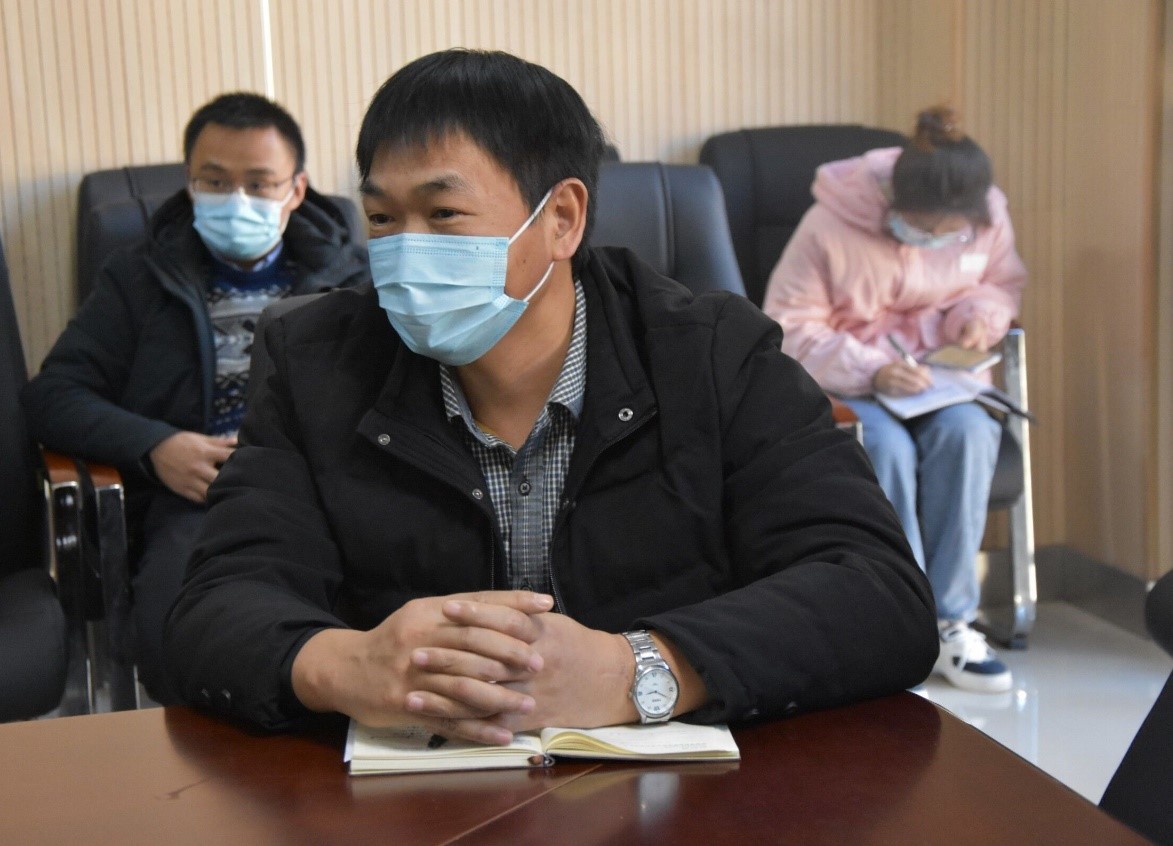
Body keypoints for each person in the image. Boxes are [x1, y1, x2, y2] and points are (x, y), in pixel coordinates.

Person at [163, 49, 938, 742]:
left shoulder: (712, 353)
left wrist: (639, 669)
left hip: (678, 805)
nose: (404, 251)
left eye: (442, 213)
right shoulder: (316, 363)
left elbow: (878, 597)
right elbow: (214, 608)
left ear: (562, 218)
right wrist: (344, 664)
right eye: (382, 219)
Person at [22, 92, 369, 703]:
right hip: (201, 497)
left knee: (365, 629)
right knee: (183, 645)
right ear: (189, 183)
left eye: (259, 184)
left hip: (332, 490)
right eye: (215, 181)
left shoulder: (355, 276)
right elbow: (54, 395)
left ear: (296, 190)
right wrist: (157, 446)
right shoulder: (137, 278)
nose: (237, 201)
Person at [763, 107, 1028, 694]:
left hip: (939, 378)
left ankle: (952, 620)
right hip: (848, 378)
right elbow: (788, 325)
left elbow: (998, 283)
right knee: (883, 447)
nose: (938, 243)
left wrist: (977, 318)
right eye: (926, 230)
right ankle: (897, 616)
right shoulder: (827, 224)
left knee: (970, 433)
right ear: (894, 206)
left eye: (951, 235)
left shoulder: (985, 213)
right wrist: (873, 370)